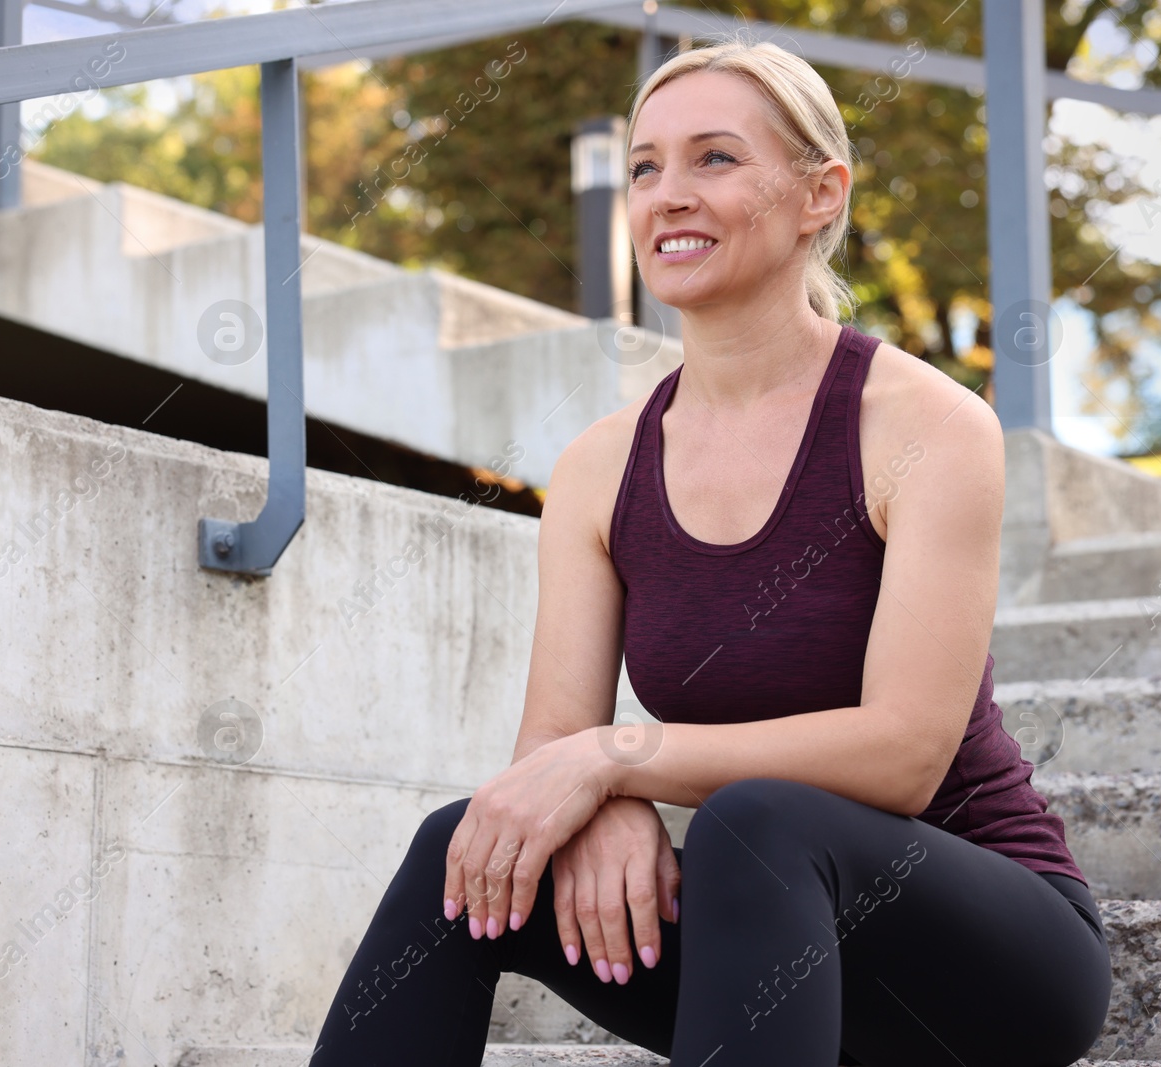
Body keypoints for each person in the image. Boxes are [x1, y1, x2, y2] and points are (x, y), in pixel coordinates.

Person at [308, 38, 1111, 1067]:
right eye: (645, 167)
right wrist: (602, 801)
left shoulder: (925, 426)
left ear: (821, 193)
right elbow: (545, 757)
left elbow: (903, 755)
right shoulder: (601, 467)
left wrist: (617, 759)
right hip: (766, 944)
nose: (666, 195)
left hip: (985, 961)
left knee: (756, 822)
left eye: (714, 159)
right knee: (459, 851)